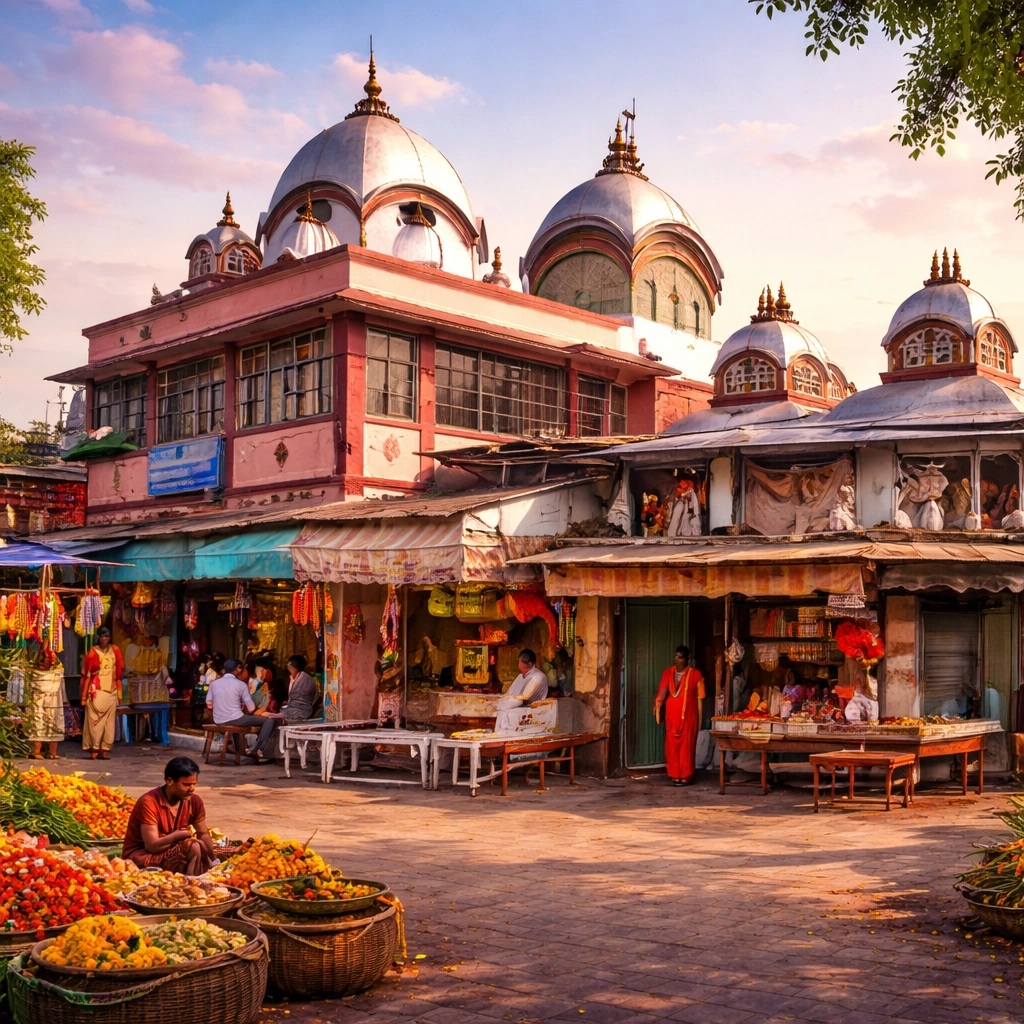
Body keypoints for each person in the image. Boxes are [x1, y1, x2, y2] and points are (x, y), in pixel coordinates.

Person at [122, 756, 215, 875]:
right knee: (193, 847)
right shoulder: (149, 802)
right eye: (186, 785)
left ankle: (193, 884)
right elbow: (152, 847)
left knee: (199, 847)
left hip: (170, 852)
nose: (191, 789)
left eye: (194, 784)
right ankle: (189, 884)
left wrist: (214, 862)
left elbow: (203, 834)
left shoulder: (194, 801)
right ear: (170, 781)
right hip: (142, 856)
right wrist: (175, 837)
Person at [247, 654, 318, 763]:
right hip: (288, 710)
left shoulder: (305, 680)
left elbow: (300, 706)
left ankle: (259, 749)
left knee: (270, 719)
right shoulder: (290, 679)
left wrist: (276, 714)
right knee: (269, 721)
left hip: (301, 712)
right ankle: (259, 749)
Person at [653, 645, 706, 786]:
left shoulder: (695, 674)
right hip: (672, 719)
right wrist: (658, 705)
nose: (677, 659)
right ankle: (674, 775)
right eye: (676, 656)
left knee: (686, 747)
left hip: (688, 718)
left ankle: (686, 776)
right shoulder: (668, 673)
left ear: (686, 659)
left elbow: (701, 696)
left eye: (680, 657)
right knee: (672, 747)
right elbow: (662, 692)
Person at [81, 627, 124, 760]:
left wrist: (119, 694)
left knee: (109, 724)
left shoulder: (115, 650)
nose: (104, 639)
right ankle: (94, 749)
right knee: (94, 723)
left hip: (111, 691)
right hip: (96, 691)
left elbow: (118, 675)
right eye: (102, 636)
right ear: (98, 637)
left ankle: (104, 750)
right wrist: (83, 696)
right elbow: (87, 675)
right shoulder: (93, 652)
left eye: (107, 636)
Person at [494, 649, 549, 734]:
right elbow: (509, 694)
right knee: (501, 711)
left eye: (520, 662)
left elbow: (524, 697)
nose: (518, 664)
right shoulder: (520, 676)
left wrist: (509, 699)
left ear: (529, 664)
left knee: (505, 713)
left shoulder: (538, 676)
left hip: (532, 712)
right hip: (518, 708)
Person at [206, 659, 265, 736]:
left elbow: (209, 704)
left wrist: (221, 708)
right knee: (268, 721)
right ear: (238, 669)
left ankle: (238, 746)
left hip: (218, 720)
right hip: (236, 719)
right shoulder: (241, 685)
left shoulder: (213, 684)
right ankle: (259, 747)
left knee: (239, 718)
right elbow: (251, 709)